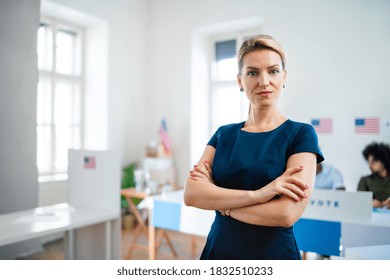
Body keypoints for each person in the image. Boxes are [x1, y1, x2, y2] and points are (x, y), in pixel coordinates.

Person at [184, 35, 324, 260]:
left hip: (272, 256)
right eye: (253, 72)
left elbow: (286, 213)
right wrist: (260, 194)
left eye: (273, 71)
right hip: (219, 252)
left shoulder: (301, 134)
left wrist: (223, 206)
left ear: (284, 76)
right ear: (240, 80)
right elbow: (192, 194)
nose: (264, 81)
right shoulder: (223, 135)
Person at [357, 142, 390, 209]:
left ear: (383, 161)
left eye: (374, 161)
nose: (370, 165)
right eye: (368, 161)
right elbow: (358, 201)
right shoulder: (365, 180)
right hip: (373, 216)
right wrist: (369, 203)